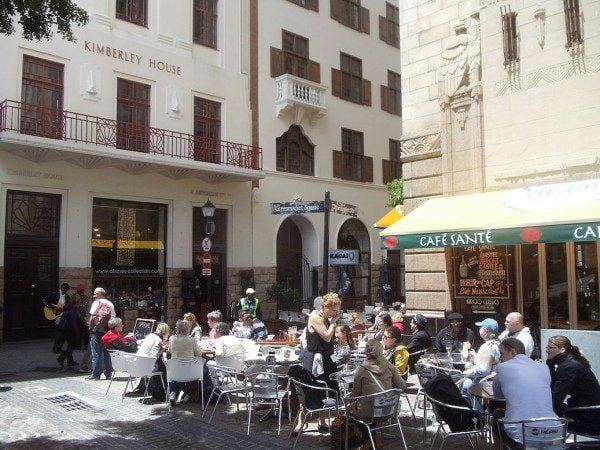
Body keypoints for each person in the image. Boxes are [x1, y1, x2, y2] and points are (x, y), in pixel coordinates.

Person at [492, 338, 556, 446]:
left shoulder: (502, 367)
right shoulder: (543, 367)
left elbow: (498, 396)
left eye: (502, 354)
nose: (500, 358)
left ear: (513, 352)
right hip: (553, 431)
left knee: (497, 415)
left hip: (522, 433)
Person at [295, 292, 341, 435]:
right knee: (311, 389)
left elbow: (329, 339)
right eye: (333, 310)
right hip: (314, 359)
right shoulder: (315, 317)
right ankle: (300, 424)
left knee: (325, 390)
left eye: (337, 310)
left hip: (326, 359)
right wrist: (333, 323)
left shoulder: (327, 319)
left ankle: (322, 422)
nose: (335, 313)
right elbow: (326, 337)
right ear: (324, 307)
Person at [350, 339, 406, 447]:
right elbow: (402, 385)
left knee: (351, 411)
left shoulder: (362, 368)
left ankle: (368, 441)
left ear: (366, 352)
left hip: (369, 411)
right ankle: (374, 439)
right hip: (388, 410)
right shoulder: (389, 365)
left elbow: (355, 393)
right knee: (372, 405)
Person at [545, 335, 600, 436]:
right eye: (547, 347)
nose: (547, 350)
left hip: (588, 414)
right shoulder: (565, 363)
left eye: (551, 348)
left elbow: (556, 396)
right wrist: (549, 363)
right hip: (583, 409)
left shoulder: (569, 367)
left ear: (562, 350)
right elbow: (552, 387)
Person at [461, 318, 500, 400]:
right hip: (495, 378)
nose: (479, 329)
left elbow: (483, 370)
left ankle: (476, 411)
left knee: (464, 388)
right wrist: (476, 357)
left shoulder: (487, 347)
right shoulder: (498, 343)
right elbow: (492, 361)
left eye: (480, 328)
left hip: (486, 381)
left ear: (485, 331)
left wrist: (464, 373)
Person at [167, 319, 202, 406]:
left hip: (175, 371)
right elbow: (199, 353)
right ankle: (188, 394)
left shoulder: (172, 339)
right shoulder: (192, 340)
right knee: (200, 370)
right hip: (190, 372)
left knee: (179, 373)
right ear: (188, 329)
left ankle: (173, 394)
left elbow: (170, 351)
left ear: (177, 329)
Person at [87, 287, 116, 380]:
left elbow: (92, 317)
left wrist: (90, 327)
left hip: (96, 331)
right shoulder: (110, 304)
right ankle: (108, 374)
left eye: (95, 294)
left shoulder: (96, 303)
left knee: (96, 353)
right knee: (107, 353)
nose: (94, 295)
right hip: (107, 331)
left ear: (100, 294)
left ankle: (96, 375)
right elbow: (113, 318)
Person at [56, 297, 86, 368]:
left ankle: (70, 361)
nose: (81, 303)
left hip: (67, 330)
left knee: (70, 345)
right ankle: (61, 358)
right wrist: (77, 332)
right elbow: (73, 322)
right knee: (73, 345)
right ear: (76, 302)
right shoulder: (73, 310)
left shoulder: (69, 308)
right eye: (80, 301)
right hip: (71, 331)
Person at [42, 282, 71, 354]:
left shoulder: (67, 296)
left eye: (65, 289)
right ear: (60, 288)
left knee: (63, 333)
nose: (64, 290)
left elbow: (66, 306)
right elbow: (45, 301)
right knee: (58, 332)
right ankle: (55, 348)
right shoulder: (55, 294)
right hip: (55, 314)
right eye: (63, 288)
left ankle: (59, 347)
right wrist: (53, 307)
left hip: (62, 315)